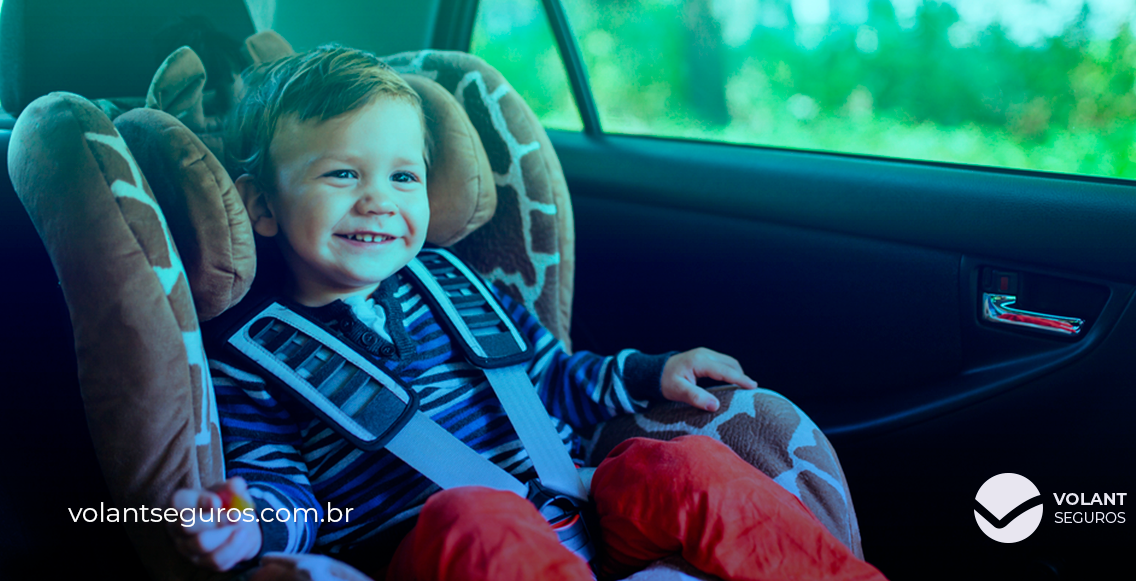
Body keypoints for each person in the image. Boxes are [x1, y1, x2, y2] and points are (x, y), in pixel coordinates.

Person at [167, 45, 886, 581]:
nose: (380, 199)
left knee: (676, 463)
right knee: (475, 513)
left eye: (403, 176)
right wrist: (245, 521)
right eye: (342, 174)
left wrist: (651, 372)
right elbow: (289, 490)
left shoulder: (457, 282)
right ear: (261, 205)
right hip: (442, 550)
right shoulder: (252, 356)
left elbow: (554, 379)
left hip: (577, 517)